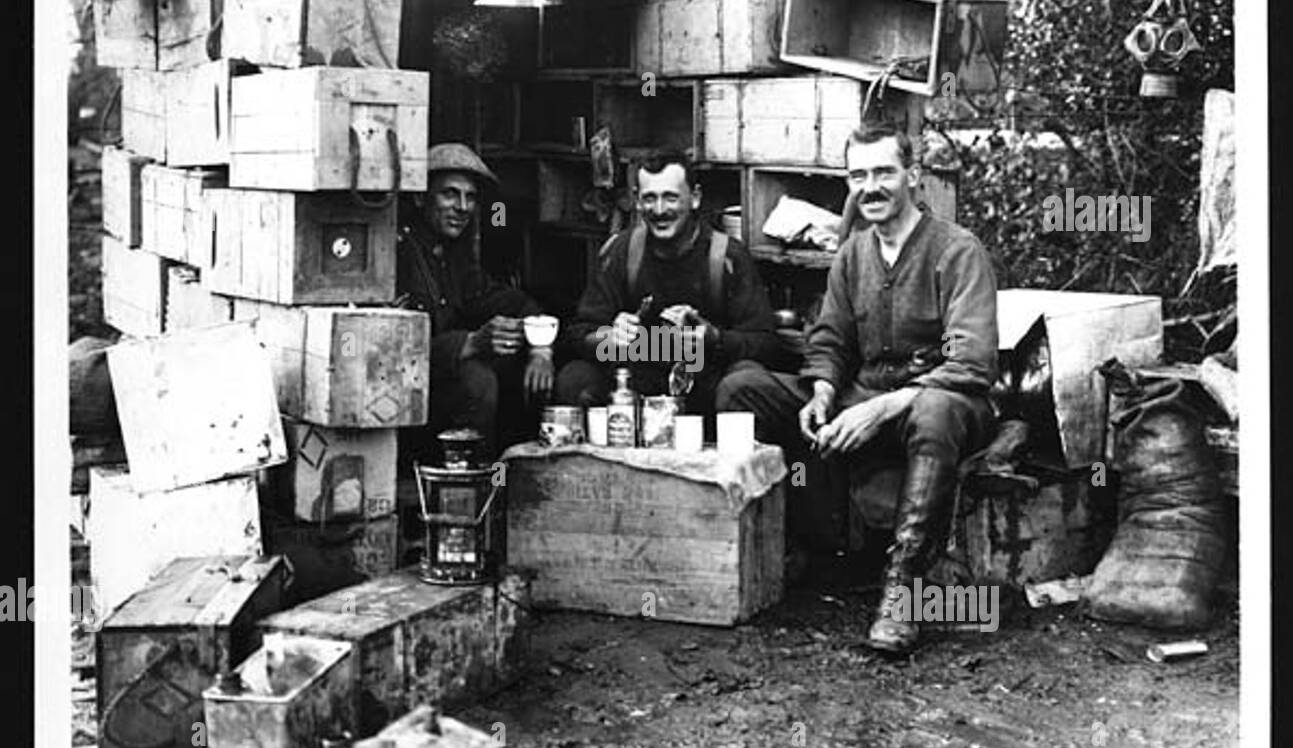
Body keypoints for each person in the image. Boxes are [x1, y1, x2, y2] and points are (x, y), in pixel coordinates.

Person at [717, 123, 999, 654]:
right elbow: (830, 337)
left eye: (883, 173)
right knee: (743, 388)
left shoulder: (958, 250)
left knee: (936, 410)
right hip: (863, 398)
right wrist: (823, 389)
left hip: (946, 406)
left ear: (912, 177)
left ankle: (904, 587)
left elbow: (972, 362)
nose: (870, 187)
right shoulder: (853, 254)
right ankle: (797, 547)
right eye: (858, 175)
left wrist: (882, 409)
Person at [555, 151, 782, 430]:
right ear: (638, 201)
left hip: (706, 388)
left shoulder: (727, 257)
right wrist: (607, 338)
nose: (659, 210)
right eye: (650, 198)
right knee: (575, 377)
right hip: (634, 390)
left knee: (744, 381)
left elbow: (767, 344)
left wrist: (714, 338)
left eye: (671, 197)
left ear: (695, 198)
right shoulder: (622, 252)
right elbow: (577, 333)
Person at [396, 142, 553, 456]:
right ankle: (468, 487)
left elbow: (515, 303)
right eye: (450, 194)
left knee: (520, 368)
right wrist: (470, 343)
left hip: (439, 392)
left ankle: (512, 473)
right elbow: (392, 350)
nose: (462, 206)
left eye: (470, 197)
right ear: (420, 196)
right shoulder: (397, 254)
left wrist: (541, 350)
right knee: (477, 379)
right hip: (403, 396)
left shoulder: (454, 260)